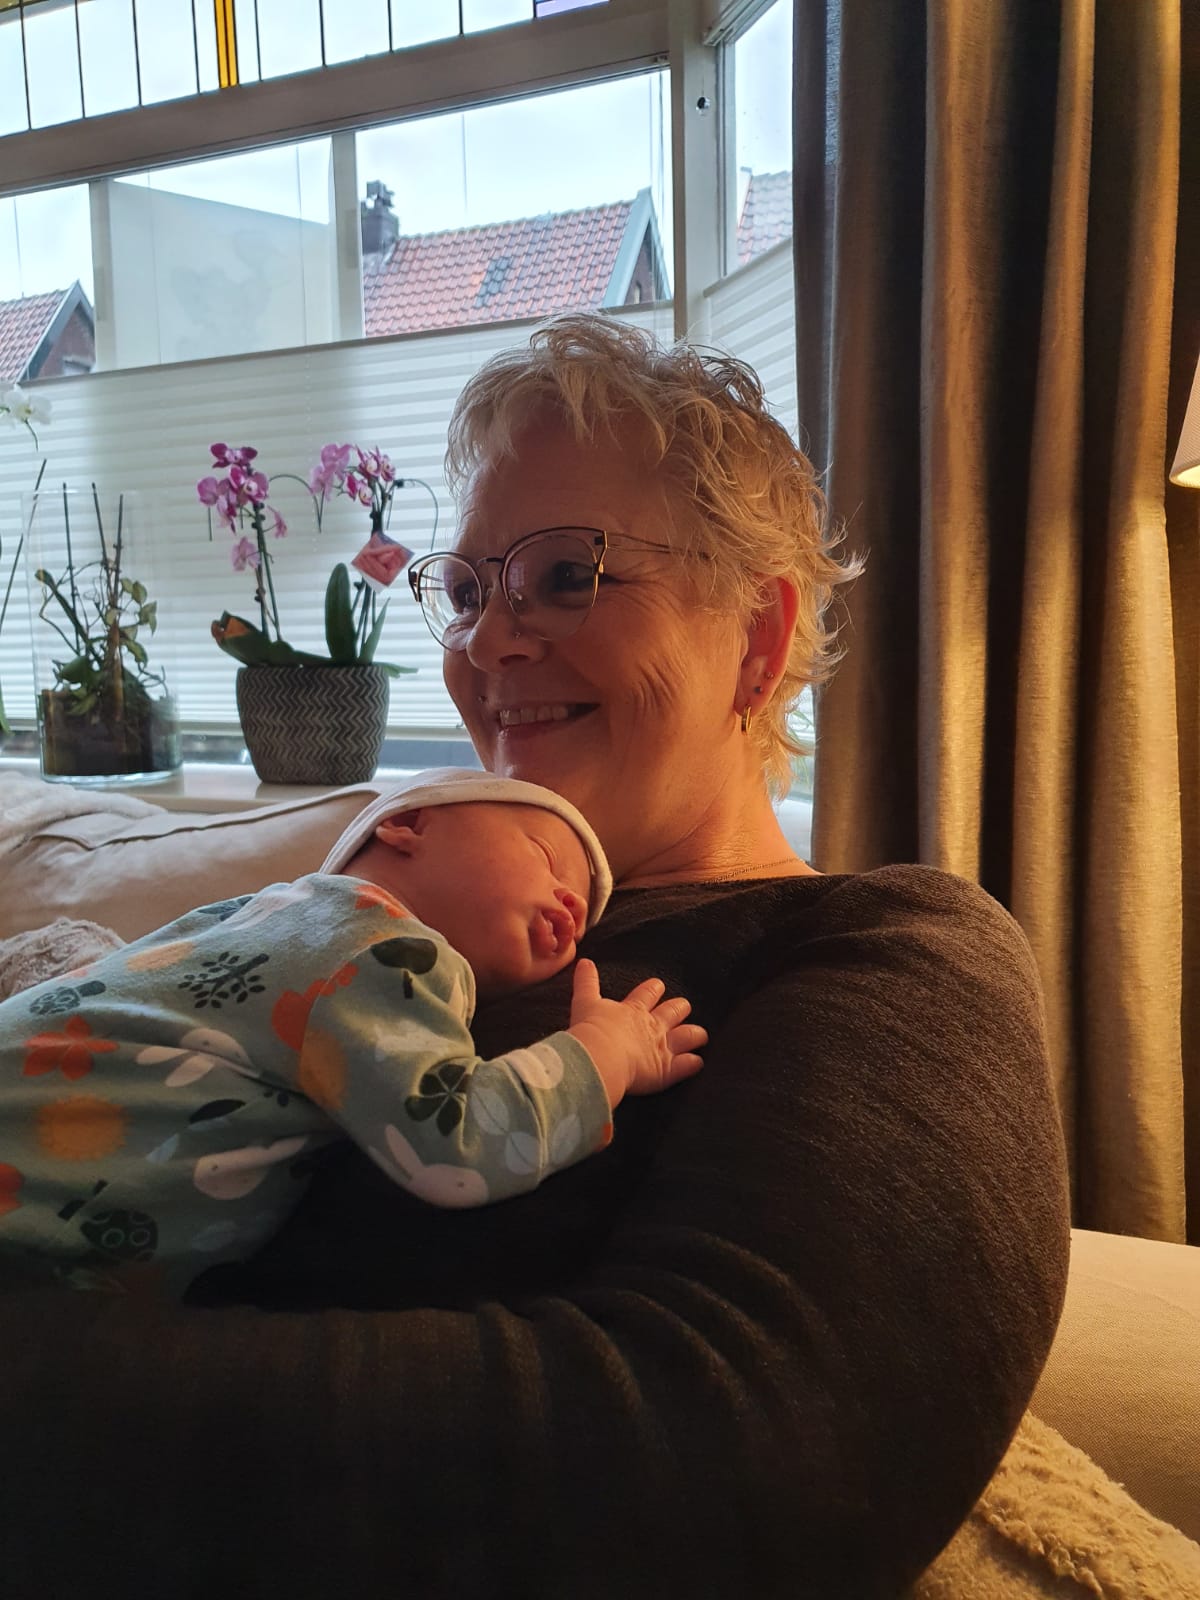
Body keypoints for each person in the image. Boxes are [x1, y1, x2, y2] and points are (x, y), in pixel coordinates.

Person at [2, 315, 1070, 1599]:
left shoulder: (889, 951)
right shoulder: (388, 909)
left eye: (567, 574)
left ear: (755, 637)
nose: (488, 642)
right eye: (466, 589)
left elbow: (750, 1461)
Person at [0, 769, 705, 1296]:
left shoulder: (266, 915)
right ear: (408, 826)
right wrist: (603, 1054)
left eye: (584, 914)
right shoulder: (383, 948)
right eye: (547, 859)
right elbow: (456, 1144)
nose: (574, 903)